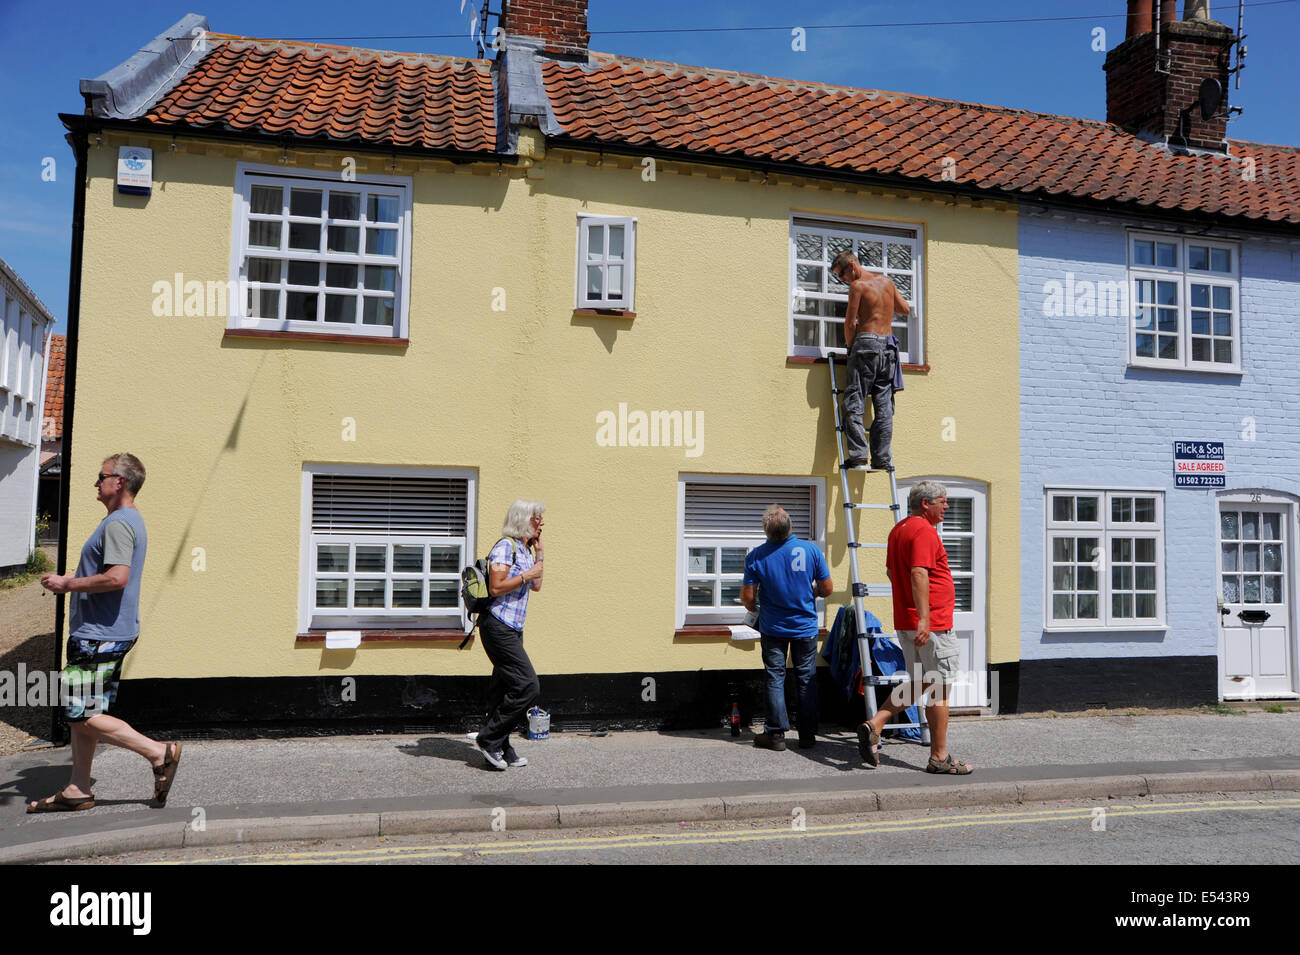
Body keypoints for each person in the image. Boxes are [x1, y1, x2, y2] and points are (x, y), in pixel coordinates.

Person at [28, 453, 184, 812]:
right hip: (104, 632)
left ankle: (159, 753)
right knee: (86, 710)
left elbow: (117, 577)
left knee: (78, 711)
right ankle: (78, 788)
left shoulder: (118, 523)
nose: (96, 482)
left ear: (121, 482)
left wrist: (68, 583)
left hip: (100, 635)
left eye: (102, 476)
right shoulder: (123, 520)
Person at [859, 481, 972, 774]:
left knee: (921, 681)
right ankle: (939, 757)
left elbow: (891, 571)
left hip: (908, 622)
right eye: (943, 501)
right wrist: (925, 617)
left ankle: (875, 724)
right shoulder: (923, 530)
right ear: (925, 503)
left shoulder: (899, 530)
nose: (947, 507)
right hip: (930, 625)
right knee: (939, 689)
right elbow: (919, 572)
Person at [741, 505, 833, 751]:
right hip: (805, 627)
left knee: (774, 676)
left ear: (766, 531)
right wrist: (808, 592)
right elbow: (827, 589)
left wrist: (759, 608)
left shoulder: (756, 556)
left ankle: (775, 735)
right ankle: (807, 736)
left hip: (773, 628)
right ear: (790, 527)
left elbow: (748, 598)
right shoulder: (811, 550)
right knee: (806, 678)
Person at [474, 500, 545, 770]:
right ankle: (489, 738)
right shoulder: (506, 546)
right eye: (537, 518)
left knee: (503, 688)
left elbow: (536, 585)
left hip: (514, 629)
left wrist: (540, 553)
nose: (541, 522)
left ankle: (502, 747)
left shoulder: (526, 549)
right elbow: (495, 587)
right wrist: (527, 574)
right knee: (528, 685)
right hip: (498, 626)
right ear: (523, 520)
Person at [830, 250, 910, 471]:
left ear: (852, 267)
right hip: (888, 348)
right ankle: (882, 459)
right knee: (884, 406)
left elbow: (849, 324)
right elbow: (905, 309)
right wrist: (882, 304)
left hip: (866, 344)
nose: (843, 280)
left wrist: (850, 348)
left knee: (854, 402)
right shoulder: (887, 282)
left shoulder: (858, 286)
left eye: (841, 275)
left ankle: (858, 455)